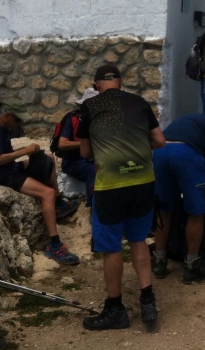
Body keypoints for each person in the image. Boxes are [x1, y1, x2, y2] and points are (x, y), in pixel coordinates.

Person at [77, 64, 166, 330]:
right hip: (143, 182)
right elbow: (160, 141)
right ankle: (147, 302)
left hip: (111, 186)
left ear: (96, 86)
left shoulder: (90, 106)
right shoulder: (139, 102)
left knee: (111, 246)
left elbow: (85, 152)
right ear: (120, 81)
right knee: (138, 239)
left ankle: (115, 309)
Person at [0, 98, 79, 265]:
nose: (18, 124)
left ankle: (59, 204)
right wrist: (24, 150)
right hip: (0, 176)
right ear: (7, 116)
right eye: (17, 120)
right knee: (47, 193)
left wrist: (29, 152)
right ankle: (54, 245)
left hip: (8, 168)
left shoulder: (1, 129)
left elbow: (3, 155)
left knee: (48, 158)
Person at [152, 101, 205, 283]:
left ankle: (159, 260)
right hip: (186, 154)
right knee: (196, 212)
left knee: (163, 209)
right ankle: (192, 265)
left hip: (160, 152)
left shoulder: (191, 119)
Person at [58, 87, 99, 207]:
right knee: (92, 171)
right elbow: (62, 144)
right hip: (73, 161)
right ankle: (93, 205)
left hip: (94, 159)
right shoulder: (72, 119)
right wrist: (84, 144)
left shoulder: (100, 119)